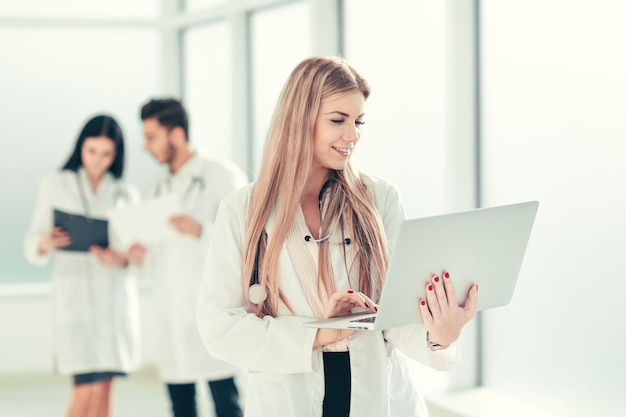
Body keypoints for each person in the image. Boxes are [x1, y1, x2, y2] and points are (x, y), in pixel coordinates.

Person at [195, 56, 479, 417]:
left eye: (359, 121)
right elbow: (219, 327)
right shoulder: (243, 210)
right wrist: (317, 334)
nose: (353, 135)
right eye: (338, 120)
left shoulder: (380, 198)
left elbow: (396, 313)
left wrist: (440, 335)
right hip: (289, 394)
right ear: (299, 120)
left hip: (377, 390)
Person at [24, 115, 144, 417]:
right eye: (91, 151)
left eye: (106, 154)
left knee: (104, 389)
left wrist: (120, 258)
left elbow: (137, 253)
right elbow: (33, 240)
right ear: (80, 148)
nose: (97, 161)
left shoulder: (126, 193)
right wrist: (46, 242)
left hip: (113, 302)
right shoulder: (55, 185)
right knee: (85, 391)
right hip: (75, 299)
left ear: (116, 155)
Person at [139, 98, 248, 417]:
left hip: (213, 309)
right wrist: (138, 254)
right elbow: (155, 261)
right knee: (180, 405)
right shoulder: (156, 190)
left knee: (226, 402)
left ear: (175, 134)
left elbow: (248, 239)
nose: (146, 147)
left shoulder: (221, 175)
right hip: (171, 314)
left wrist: (201, 229)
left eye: (151, 137)